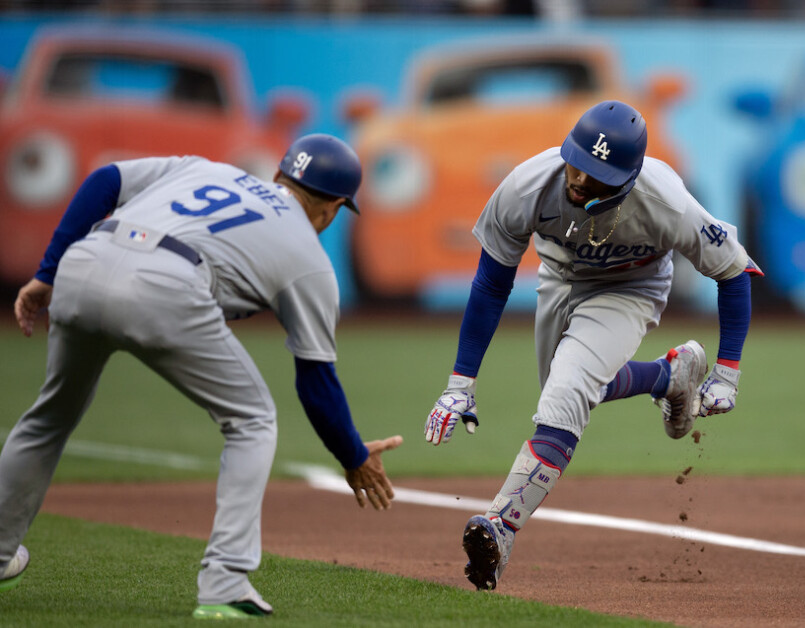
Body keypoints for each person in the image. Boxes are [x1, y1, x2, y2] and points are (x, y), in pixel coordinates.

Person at [0, 134, 403, 617]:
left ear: (278, 176)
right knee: (252, 420)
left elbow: (104, 181)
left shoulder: (206, 169)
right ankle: (225, 581)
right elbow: (316, 381)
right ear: (335, 208)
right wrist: (353, 455)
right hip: (165, 284)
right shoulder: (311, 262)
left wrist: (47, 273)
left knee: (49, 417)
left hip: (85, 261)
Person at [423, 100, 762, 590]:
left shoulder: (667, 202)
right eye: (577, 162)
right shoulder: (525, 187)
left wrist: (728, 371)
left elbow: (735, 270)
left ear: (629, 179)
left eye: (598, 173)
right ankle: (670, 376)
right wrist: (461, 383)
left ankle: (501, 526)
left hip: (630, 288)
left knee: (564, 399)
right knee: (571, 393)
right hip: (559, 280)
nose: (580, 179)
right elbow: (491, 285)